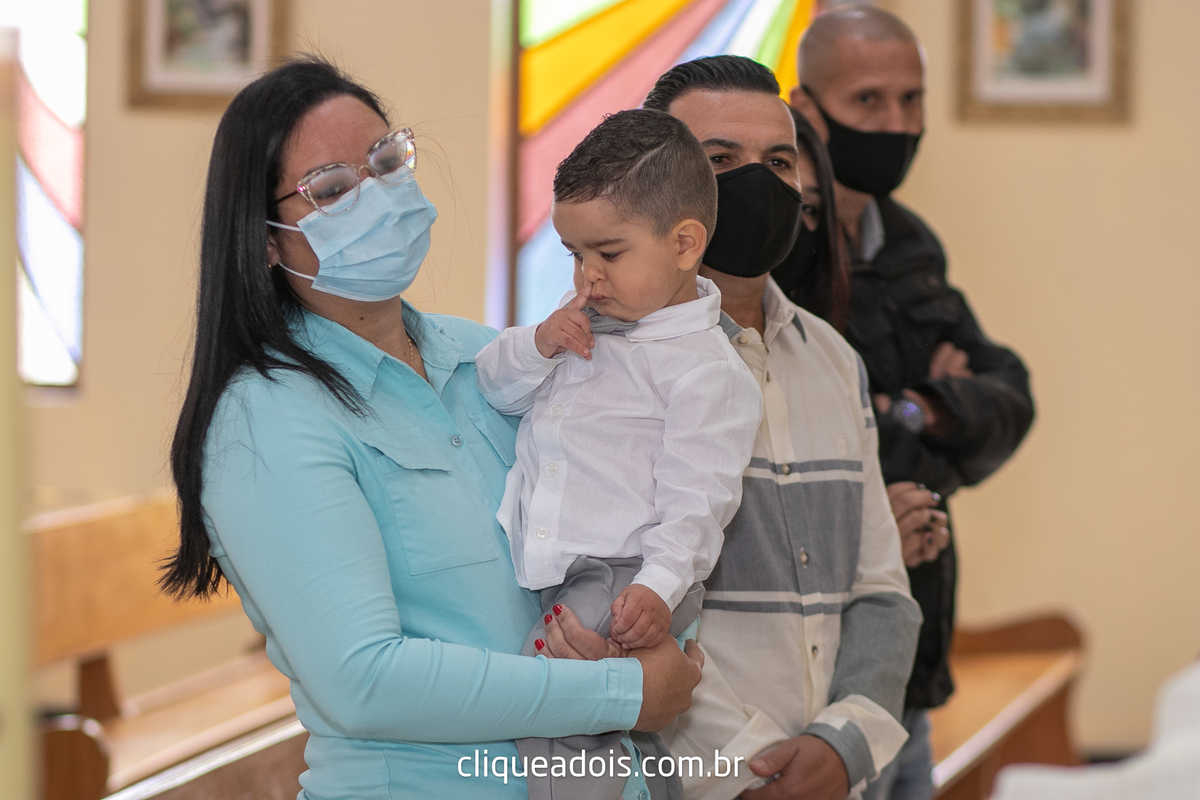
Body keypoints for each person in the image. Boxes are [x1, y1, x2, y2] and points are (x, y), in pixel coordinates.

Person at [162, 57, 703, 800]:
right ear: (264, 238)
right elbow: (363, 679)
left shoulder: (487, 354)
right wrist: (622, 693)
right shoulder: (265, 417)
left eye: (386, 161)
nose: (377, 195)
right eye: (332, 188)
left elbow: (623, 514)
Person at [570, 54, 917, 800]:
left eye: (779, 162)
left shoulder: (832, 359)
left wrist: (839, 748)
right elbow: (610, 606)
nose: (757, 183)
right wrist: (749, 772)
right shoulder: (602, 367)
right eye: (719, 159)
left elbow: (883, 591)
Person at [476, 109, 762, 800]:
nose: (587, 276)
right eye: (575, 255)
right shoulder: (585, 325)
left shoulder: (706, 370)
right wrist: (537, 344)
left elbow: (700, 501)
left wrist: (658, 589)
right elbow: (495, 388)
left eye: (608, 253)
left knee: (559, 705)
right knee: (580, 715)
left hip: (629, 571)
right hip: (572, 567)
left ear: (685, 244)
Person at [789, 7, 1036, 799]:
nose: (897, 124)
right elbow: (796, 444)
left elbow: (1010, 399)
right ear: (807, 113)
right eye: (868, 101)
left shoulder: (911, 242)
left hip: (916, 664)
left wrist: (909, 410)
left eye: (912, 99)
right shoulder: (777, 257)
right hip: (819, 678)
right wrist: (925, 418)